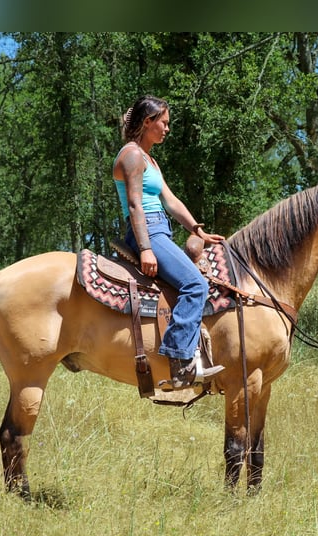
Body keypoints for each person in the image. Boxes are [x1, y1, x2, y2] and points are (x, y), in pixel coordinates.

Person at [113, 95, 225, 390]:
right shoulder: (132, 155)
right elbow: (136, 205)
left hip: (160, 229)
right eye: (164, 123)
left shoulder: (150, 160)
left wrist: (197, 230)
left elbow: (171, 201)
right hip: (147, 231)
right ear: (148, 122)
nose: (167, 129)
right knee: (196, 285)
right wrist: (146, 247)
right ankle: (180, 362)